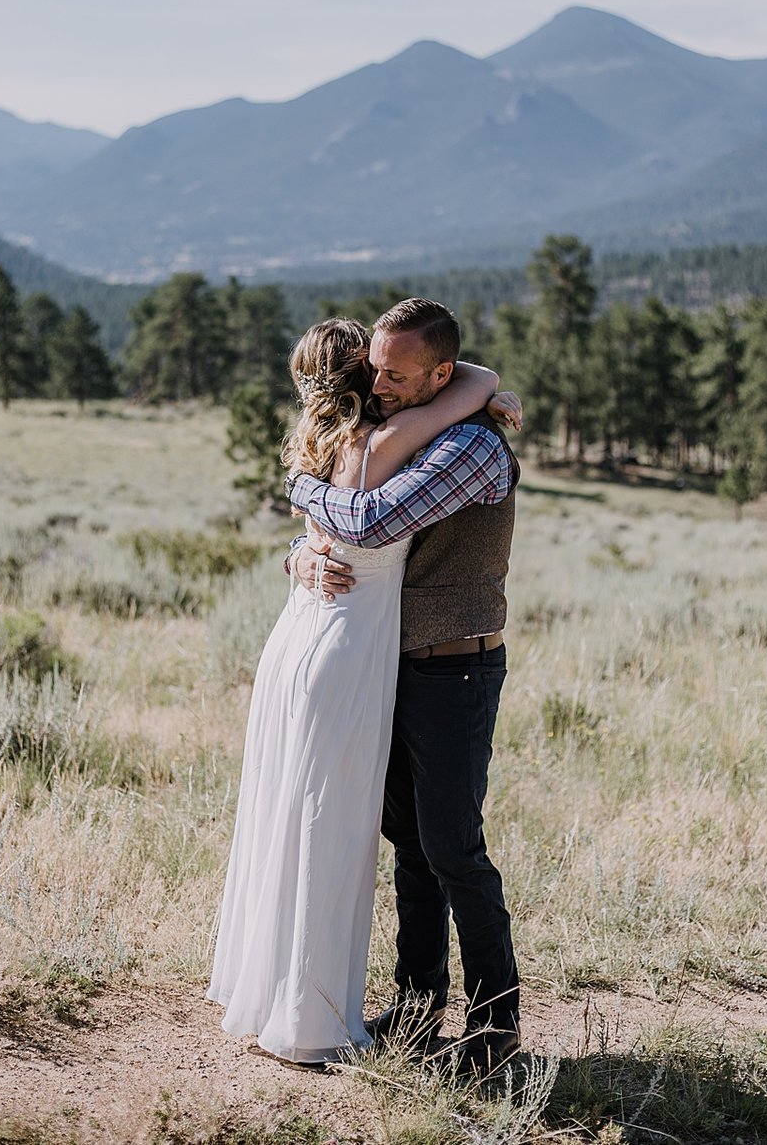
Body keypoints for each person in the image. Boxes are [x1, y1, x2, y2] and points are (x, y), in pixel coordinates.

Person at [208, 316, 513, 1067]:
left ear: (440, 376)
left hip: (453, 667)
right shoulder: (402, 422)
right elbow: (346, 517)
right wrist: (299, 554)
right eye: (373, 371)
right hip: (386, 663)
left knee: (452, 850)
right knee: (409, 844)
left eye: (397, 375)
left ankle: (495, 1027)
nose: (380, 384)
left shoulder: (469, 444)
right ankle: (416, 1007)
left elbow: (372, 520)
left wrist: (301, 488)